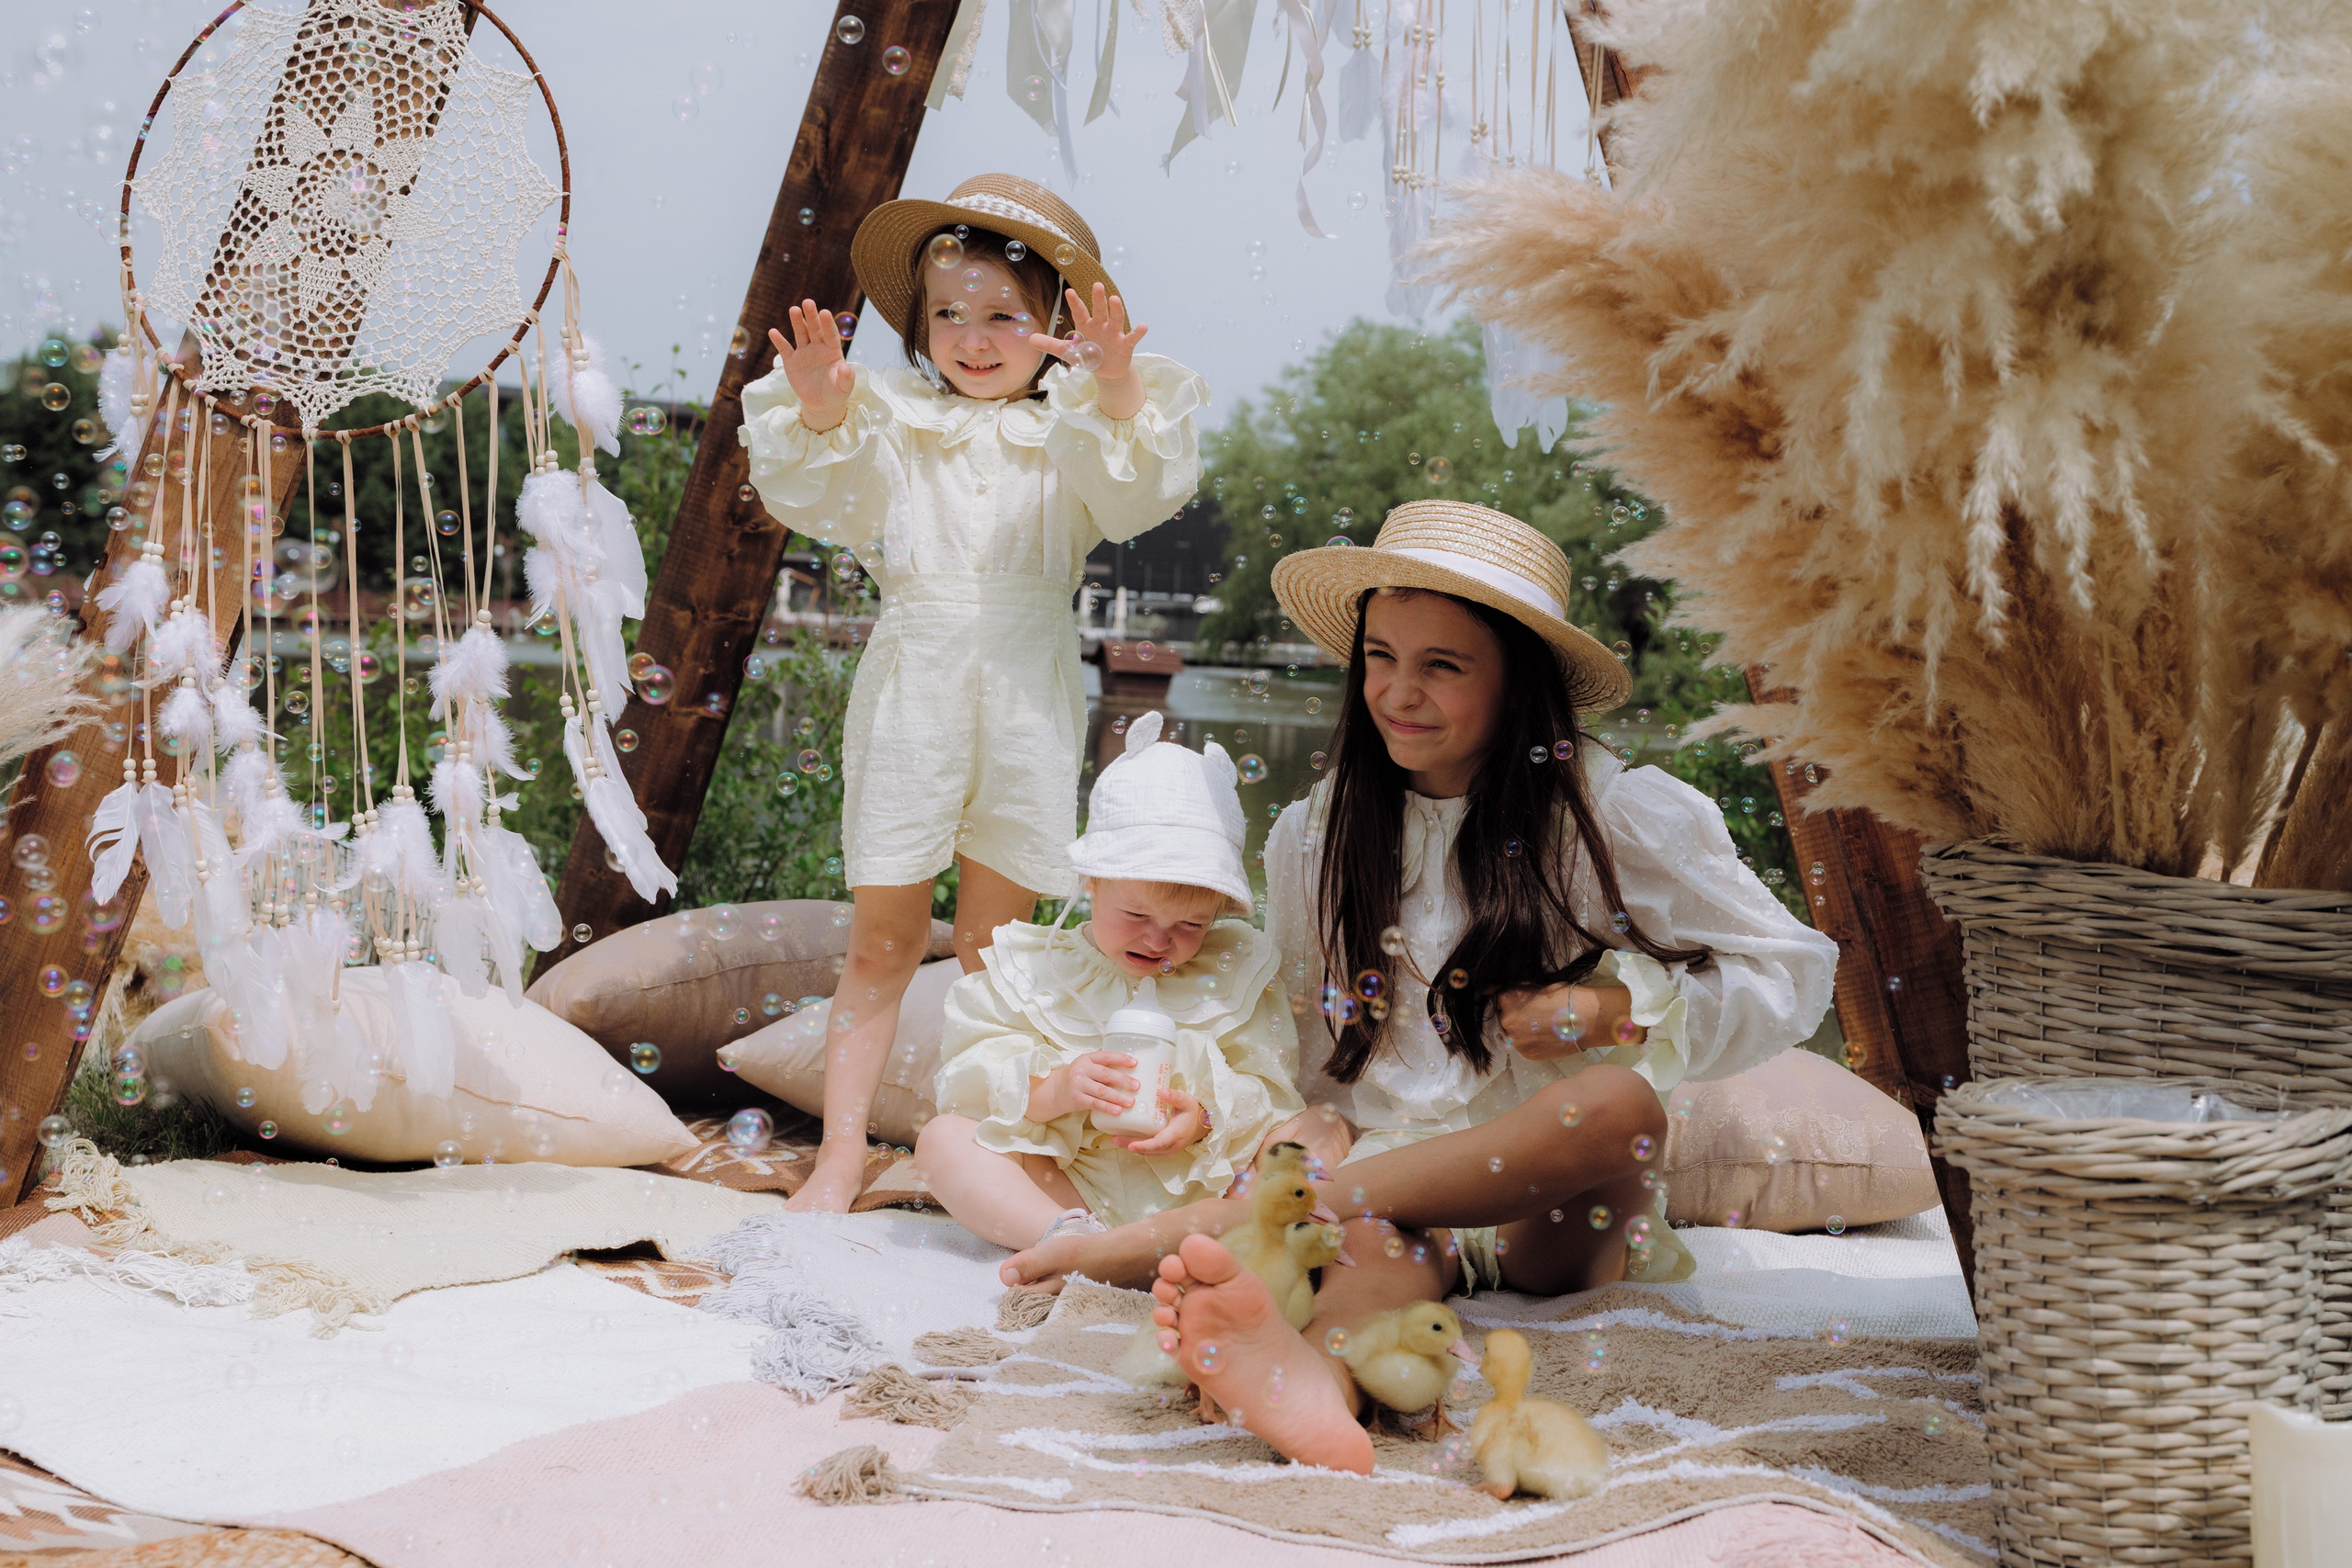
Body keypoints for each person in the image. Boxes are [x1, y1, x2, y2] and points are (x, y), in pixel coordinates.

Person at [1000, 500, 1839, 1472]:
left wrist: (1614, 1009)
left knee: (1619, 1103)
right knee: (1354, 1261)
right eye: (1380, 658)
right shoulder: (1316, 834)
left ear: (1518, 684)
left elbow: (1792, 971)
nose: (1398, 692)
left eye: (1442, 666)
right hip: (1392, 1191)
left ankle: (1181, 1235)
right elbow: (1314, 1046)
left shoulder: (1611, 811)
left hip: (1550, 1210)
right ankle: (1306, 1386)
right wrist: (1307, 1120)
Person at [741, 174, 1209, 1211]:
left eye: (1004, 314)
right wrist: (820, 403)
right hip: (917, 682)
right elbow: (824, 487)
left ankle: (973, 1146)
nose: (974, 337)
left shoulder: (1079, 427)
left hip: (1028, 690)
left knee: (996, 954)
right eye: (948, 313)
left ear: (1053, 324)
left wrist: (1119, 384)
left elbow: (1139, 487)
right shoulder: (893, 421)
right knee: (882, 938)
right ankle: (839, 1152)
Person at [915, 712, 1302, 1248]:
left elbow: (1271, 1088)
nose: (1159, 941)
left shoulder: (1232, 972)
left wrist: (1206, 1119)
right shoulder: (1037, 969)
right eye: (1137, 916)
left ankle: (1210, 1245)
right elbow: (968, 1079)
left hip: (1195, 1199)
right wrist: (1054, 1090)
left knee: (1310, 1137)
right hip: (1067, 1191)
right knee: (942, 1141)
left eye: (1191, 924)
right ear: (1092, 880)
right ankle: (1063, 1238)